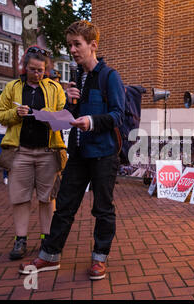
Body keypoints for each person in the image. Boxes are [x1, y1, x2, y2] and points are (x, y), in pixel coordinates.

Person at [19, 20, 125, 280]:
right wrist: (69, 104)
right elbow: (75, 114)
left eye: (77, 44)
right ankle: (50, 254)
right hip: (78, 152)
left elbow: (118, 115)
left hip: (103, 153)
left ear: (93, 45)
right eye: (70, 45)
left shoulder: (110, 76)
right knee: (64, 205)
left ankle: (99, 258)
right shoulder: (78, 76)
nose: (73, 50)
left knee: (102, 208)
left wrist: (91, 122)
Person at [0, 45, 67, 261]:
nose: (37, 74)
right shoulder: (12, 87)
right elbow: (0, 115)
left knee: (47, 198)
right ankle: (21, 239)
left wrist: (50, 115)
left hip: (47, 151)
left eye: (41, 70)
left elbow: (64, 116)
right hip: (21, 152)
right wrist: (15, 113)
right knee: (20, 198)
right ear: (25, 66)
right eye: (33, 69)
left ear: (46, 69)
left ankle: (47, 237)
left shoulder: (55, 88)